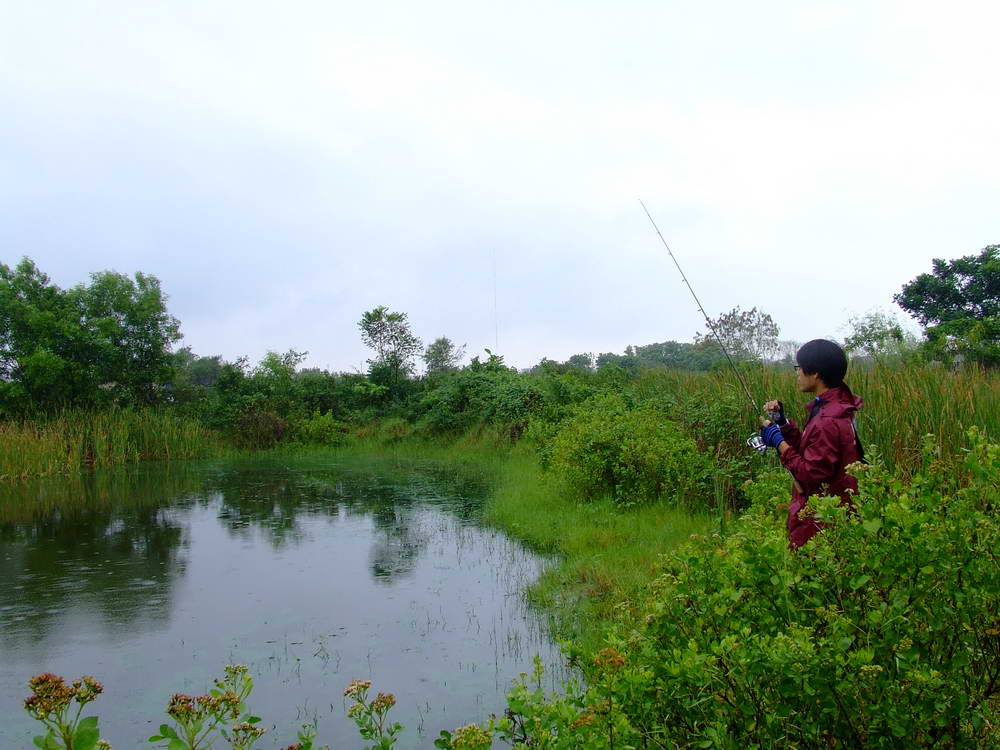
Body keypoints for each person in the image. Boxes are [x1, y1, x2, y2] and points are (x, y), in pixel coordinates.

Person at [759, 339, 864, 548]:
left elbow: (810, 476)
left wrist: (779, 443)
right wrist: (783, 424)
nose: (797, 373)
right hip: (834, 517)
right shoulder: (835, 407)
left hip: (821, 526)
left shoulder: (827, 419)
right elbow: (815, 451)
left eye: (799, 368)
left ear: (815, 373)